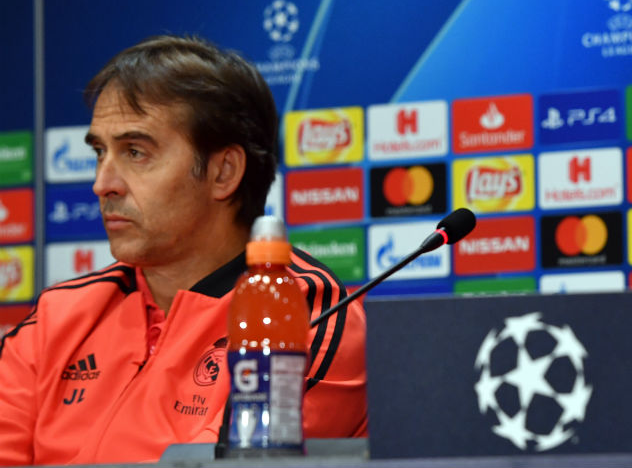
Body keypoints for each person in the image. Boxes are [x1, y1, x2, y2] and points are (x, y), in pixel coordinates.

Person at [0, 36, 367, 465]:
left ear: (223, 172)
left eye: (136, 152)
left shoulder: (300, 312)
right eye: (100, 152)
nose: (103, 183)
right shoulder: (59, 316)